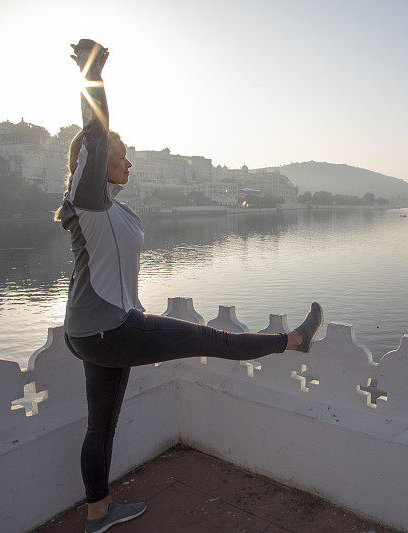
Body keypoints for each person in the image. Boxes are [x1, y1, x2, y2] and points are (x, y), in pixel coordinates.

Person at [57, 39, 323, 533]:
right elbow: (95, 131)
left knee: (101, 425)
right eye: (122, 156)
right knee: (211, 339)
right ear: (96, 161)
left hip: (93, 331)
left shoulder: (109, 205)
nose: (129, 163)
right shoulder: (87, 196)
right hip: (110, 330)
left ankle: (97, 513)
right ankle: (295, 341)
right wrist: (92, 73)